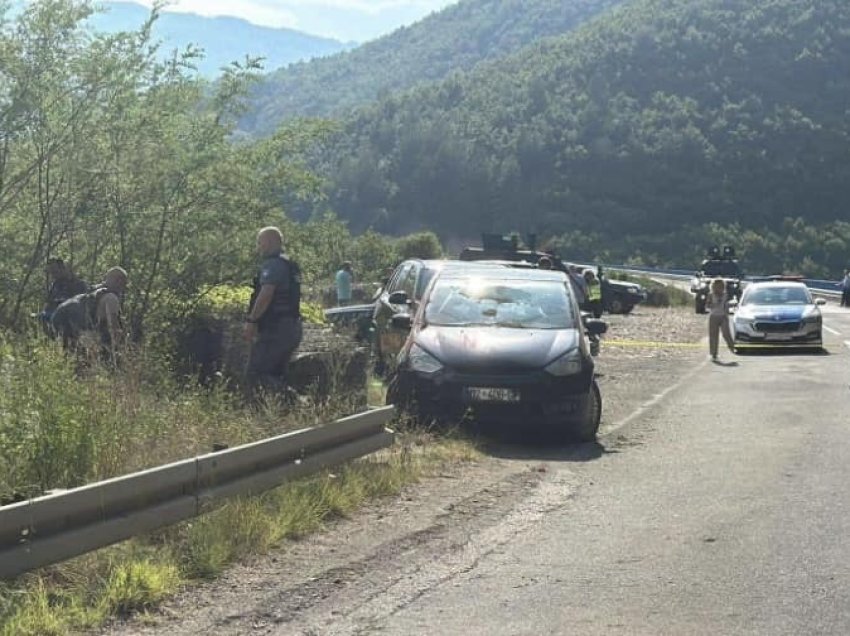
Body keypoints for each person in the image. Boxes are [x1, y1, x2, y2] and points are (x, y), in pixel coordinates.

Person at [244, 226, 303, 397]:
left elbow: (266, 294)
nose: (258, 247)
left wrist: (252, 320)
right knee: (276, 374)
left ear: (270, 242)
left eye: (260, 242)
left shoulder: (273, 265)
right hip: (291, 326)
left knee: (256, 373)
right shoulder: (289, 264)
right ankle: (284, 413)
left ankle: (297, 402)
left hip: (277, 328)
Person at [51, 266, 127, 360]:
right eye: (124, 282)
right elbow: (113, 326)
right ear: (119, 280)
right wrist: (121, 349)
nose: (124, 286)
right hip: (75, 325)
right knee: (84, 359)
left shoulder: (93, 290)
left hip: (59, 318)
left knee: (69, 358)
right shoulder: (111, 297)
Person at [39, 258, 88, 327]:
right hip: (53, 312)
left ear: (63, 269)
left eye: (55, 272)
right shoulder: (55, 285)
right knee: (42, 316)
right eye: (51, 273)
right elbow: (48, 302)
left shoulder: (79, 284)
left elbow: (82, 304)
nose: (53, 276)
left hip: (69, 315)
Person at [706, 278, 734, 361]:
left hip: (723, 316)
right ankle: (713, 354)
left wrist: (728, 308)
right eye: (716, 286)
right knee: (713, 336)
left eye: (720, 286)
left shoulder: (725, 295)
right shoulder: (710, 295)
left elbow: (727, 305)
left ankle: (732, 347)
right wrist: (713, 305)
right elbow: (707, 306)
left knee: (726, 333)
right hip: (713, 316)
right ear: (713, 286)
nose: (718, 288)